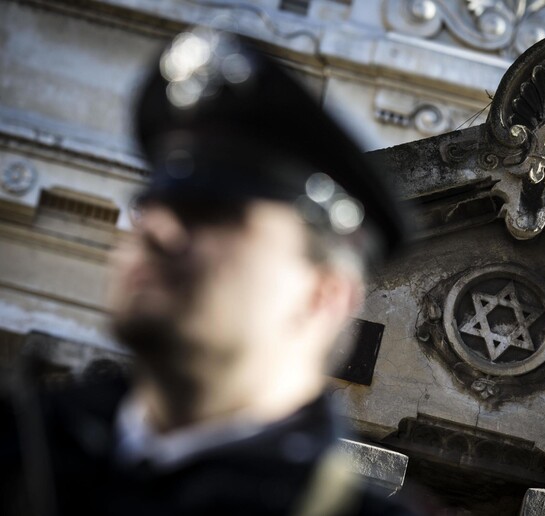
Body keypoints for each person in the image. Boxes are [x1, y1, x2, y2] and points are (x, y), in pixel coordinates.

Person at [0, 25, 416, 516]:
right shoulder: (21, 450)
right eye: (152, 202)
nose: (157, 229)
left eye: (215, 214)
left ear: (324, 295)